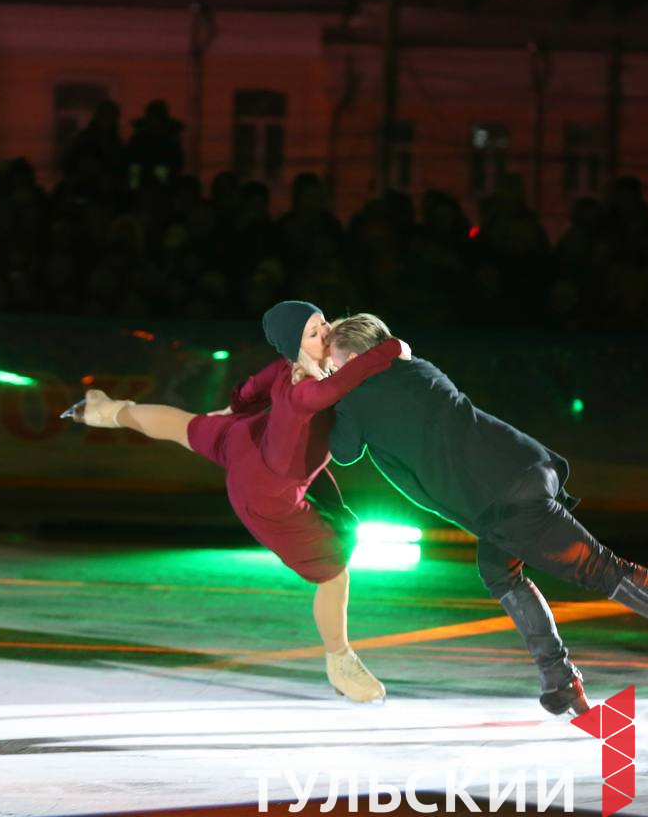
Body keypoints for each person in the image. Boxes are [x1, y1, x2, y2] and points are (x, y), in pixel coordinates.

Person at [325, 313, 648, 715]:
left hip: (505, 500)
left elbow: (342, 450)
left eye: (336, 363)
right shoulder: (415, 369)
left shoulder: (361, 397)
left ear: (358, 358)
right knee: (500, 573)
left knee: (602, 570)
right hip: (514, 479)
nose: (331, 373)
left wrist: (328, 389)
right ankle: (559, 680)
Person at [61, 301, 409, 703]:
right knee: (334, 572)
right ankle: (340, 661)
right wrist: (392, 348)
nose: (327, 334)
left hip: (246, 440)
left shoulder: (285, 368)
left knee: (182, 425)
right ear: (294, 348)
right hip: (268, 495)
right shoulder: (304, 389)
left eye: (323, 324)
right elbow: (337, 385)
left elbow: (250, 390)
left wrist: (234, 412)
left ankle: (108, 411)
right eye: (315, 334)